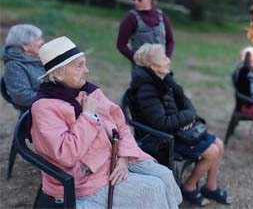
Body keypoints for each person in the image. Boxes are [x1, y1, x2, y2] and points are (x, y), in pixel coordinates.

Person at [30, 36, 182, 209]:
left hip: (115, 158)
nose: (86, 71)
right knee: (153, 188)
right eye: (79, 66)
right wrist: (87, 117)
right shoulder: (44, 107)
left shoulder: (89, 92)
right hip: (86, 179)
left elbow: (121, 125)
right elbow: (66, 154)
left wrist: (123, 157)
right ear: (58, 73)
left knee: (165, 175)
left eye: (85, 64)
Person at [130, 43, 232, 207]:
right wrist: (186, 118)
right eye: (163, 57)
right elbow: (161, 123)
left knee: (219, 143)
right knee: (212, 151)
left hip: (177, 130)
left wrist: (188, 117)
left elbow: (187, 103)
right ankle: (189, 187)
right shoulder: (147, 90)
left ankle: (210, 187)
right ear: (152, 65)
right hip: (162, 140)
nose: (168, 59)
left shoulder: (165, 79)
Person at [116, 0, 174, 70]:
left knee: (173, 85)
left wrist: (166, 59)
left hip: (162, 69)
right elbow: (121, 45)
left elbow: (170, 41)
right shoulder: (131, 18)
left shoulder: (161, 17)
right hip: (142, 72)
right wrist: (138, 60)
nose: (135, 2)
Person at [2, 24, 45, 109]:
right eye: (38, 39)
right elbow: (22, 97)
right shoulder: (14, 66)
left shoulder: (39, 58)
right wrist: (54, 96)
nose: (42, 42)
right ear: (25, 46)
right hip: (36, 112)